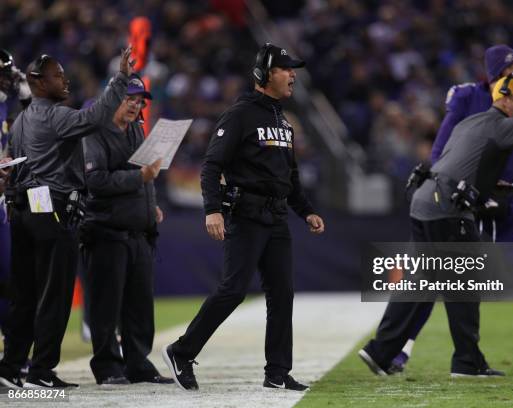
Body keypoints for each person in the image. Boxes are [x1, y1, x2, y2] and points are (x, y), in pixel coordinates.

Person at [359, 75, 513, 377]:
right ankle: (467, 362)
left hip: (424, 201)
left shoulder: (470, 122)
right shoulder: (504, 125)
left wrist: (487, 184)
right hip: (447, 210)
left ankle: (380, 351)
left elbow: (452, 160)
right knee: (463, 286)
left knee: (420, 285)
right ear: (504, 99)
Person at [162, 43, 325, 392]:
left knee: (282, 293)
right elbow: (211, 165)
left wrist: (306, 210)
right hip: (246, 214)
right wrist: (213, 210)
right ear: (265, 74)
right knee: (233, 289)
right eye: (285, 69)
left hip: (277, 216)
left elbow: (290, 177)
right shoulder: (240, 114)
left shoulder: (283, 120)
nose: (293, 74)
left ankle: (278, 372)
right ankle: (181, 351)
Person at [0, 47, 134, 389]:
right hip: (52, 213)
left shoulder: (20, 122)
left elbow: (9, 163)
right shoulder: (53, 116)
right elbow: (95, 117)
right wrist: (120, 80)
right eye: (57, 75)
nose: (65, 80)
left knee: (24, 295)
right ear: (38, 83)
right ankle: (42, 371)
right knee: (54, 295)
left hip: (22, 212)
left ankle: (11, 366)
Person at [80, 74, 173, 386]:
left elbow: (147, 174)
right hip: (106, 231)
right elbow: (95, 181)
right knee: (106, 305)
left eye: (139, 99)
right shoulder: (93, 131)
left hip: (139, 231)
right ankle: (107, 366)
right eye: (130, 97)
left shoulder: (136, 128)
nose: (136, 104)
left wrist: (151, 206)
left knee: (139, 305)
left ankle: (138, 363)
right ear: (112, 97)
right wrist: (140, 180)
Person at [0, 49, 31, 336]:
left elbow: (35, 116)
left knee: (8, 277)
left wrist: (25, 95)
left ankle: (12, 356)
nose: (6, 81)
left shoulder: (4, 109)